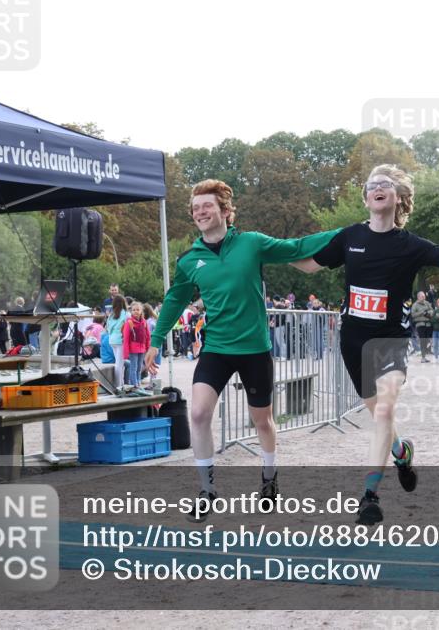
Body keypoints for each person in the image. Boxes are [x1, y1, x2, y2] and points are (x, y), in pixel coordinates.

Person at [292, 164, 439, 525]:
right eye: (371, 184)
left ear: (398, 198)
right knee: (379, 414)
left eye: (386, 184)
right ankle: (401, 452)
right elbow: (309, 265)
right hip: (353, 342)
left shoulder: (410, 245)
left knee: (383, 412)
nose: (377, 188)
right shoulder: (349, 237)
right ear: (366, 198)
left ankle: (370, 496)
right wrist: (259, 252)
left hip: (390, 340)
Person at [144, 179, 340, 522]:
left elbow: (296, 247)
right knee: (199, 414)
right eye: (195, 208)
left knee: (262, 420)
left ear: (225, 211)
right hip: (217, 348)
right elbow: (175, 299)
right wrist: (156, 340)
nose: (200, 212)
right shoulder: (190, 259)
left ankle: (269, 477)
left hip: (254, 349)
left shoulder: (251, 243)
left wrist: (348, 233)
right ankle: (206, 490)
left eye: (207, 205)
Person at [123, 301, 151, 388]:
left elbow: (147, 336)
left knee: (139, 367)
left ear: (141, 311)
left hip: (142, 349)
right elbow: (126, 338)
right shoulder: (129, 322)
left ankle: (138, 383)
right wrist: (126, 353)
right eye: (134, 310)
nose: (135, 311)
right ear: (131, 311)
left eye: (138, 309)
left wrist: (148, 348)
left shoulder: (144, 322)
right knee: (133, 367)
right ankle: (134, 385)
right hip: (133, 349)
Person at [106, 295, 128, 388]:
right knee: (119, 364)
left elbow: (107, 328)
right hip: (120, 340)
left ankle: (121, 384)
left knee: (119, 363)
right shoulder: (125, 314)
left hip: (112, 340)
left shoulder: (111, 315)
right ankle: (118, 386)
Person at [410, 291, 434, 363]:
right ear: (418, 297)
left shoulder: (427, 303)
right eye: (422, 296)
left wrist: (428, 313)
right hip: (420, 324)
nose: (424, 297)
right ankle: (423, 357)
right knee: (422, 340)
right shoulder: (415, 305)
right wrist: (422, 312)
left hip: (428, 324)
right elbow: (413, 314)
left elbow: (432, 310)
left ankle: (425, 356)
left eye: (424, 296)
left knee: (426, 340)